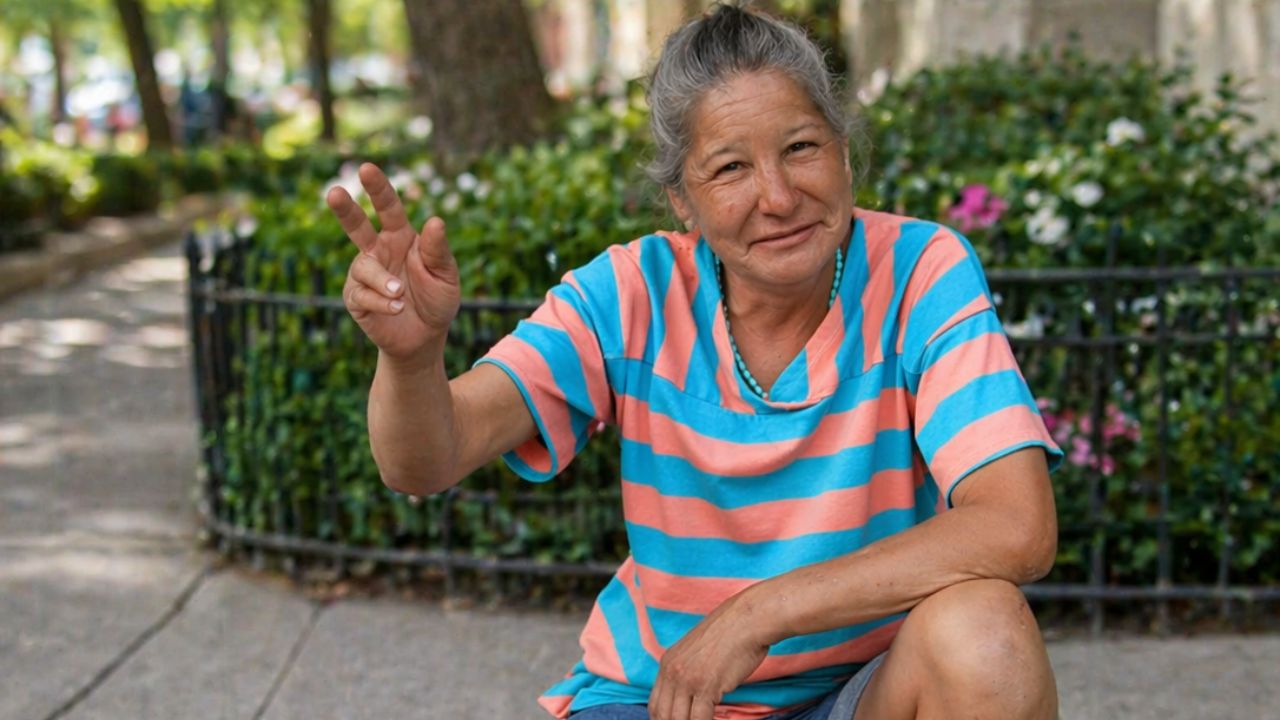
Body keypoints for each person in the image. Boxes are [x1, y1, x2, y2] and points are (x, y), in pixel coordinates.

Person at [325, 4, 1063, 719]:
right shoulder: (629, 294)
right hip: (665, 701)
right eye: (731, 168)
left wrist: (758, 613)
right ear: (682, 199)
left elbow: (1015, 525)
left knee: (986, 632)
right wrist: (413, 361)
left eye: (802, 147)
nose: (778, 197)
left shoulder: (920, 272)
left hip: (864, 692)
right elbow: (425, 461)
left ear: (844, 151)